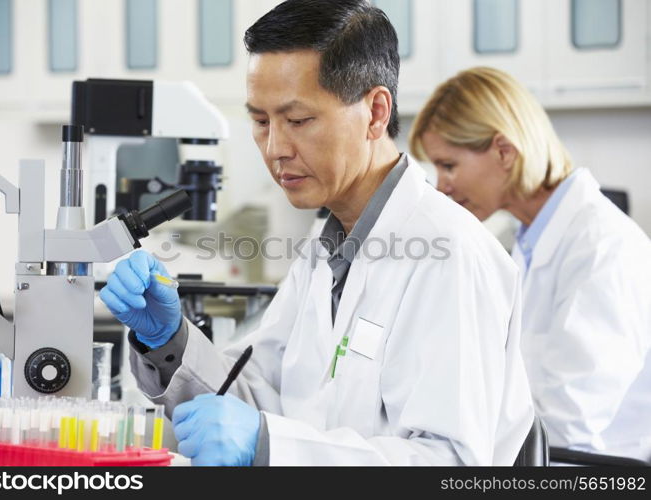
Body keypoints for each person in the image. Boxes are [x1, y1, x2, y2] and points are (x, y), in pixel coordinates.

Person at [100, 1, 533, 466]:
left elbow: (452, 463)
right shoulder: (324, 250)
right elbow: (254, 399)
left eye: (299, 121)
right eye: (261, 121)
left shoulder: (450, 254)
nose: (275, 148)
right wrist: (170, 343)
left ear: (376, 112)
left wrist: (273, 447)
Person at [409, 66, 651, 461]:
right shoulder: (524, 240)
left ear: (504, 152)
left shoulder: (603, 250)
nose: (441, 186)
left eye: (449, 165)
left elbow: (568, 425)